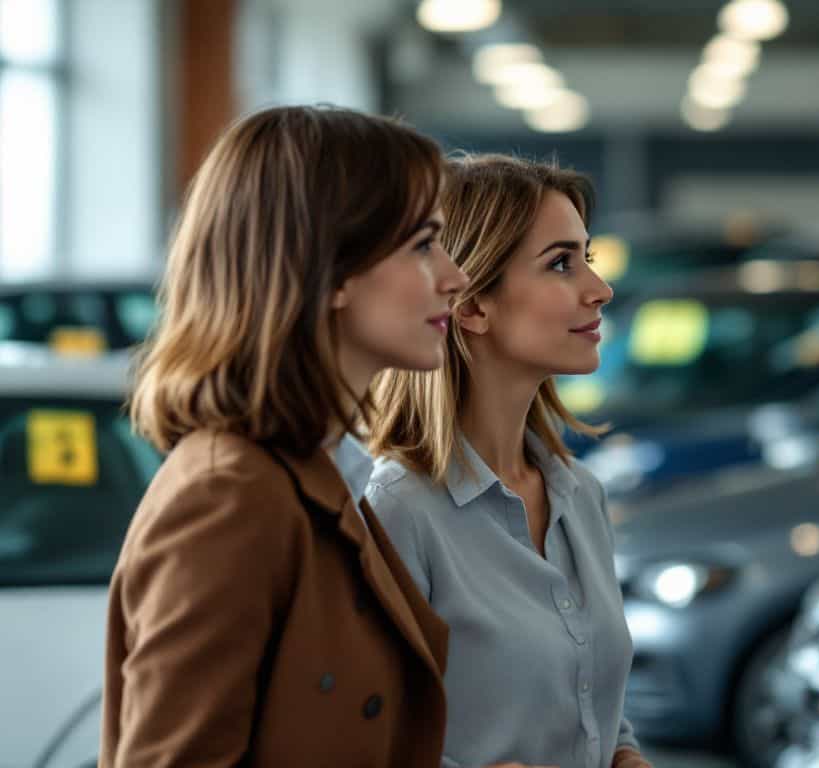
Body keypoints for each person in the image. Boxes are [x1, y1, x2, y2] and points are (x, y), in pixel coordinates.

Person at [102, 105, 468, 767]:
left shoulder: (317, 474)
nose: (454, 276)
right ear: (329, 267)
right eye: (422, 245)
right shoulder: (230, 496)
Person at [364, 153, 652, 768]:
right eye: (560, 264)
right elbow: (363, 740)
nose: (599, 290)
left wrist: (624, 755)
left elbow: (592, 701)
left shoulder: (580, 493)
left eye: (588, 259)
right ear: (469, 305)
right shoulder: (396, 511)